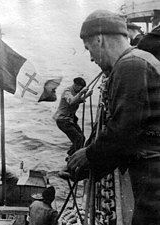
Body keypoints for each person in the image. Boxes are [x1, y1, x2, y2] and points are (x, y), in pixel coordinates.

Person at [68, 9, 160, 225]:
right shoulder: (140, 59)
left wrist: (88, 156)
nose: (91, 57)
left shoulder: (130, 66)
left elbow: (124, 129)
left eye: (89, 48)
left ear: (99, 40)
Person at [54, 77, 93, 157]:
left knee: (81, 138)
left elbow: (77, 100)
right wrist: (81, 93)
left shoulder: (76, 92)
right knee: (78, 139)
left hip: (70, 119)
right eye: (80, 88)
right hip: (63, 120)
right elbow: (71, 101)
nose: (81, 89)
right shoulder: (67, 91)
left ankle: (70, 156)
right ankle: (73, 158)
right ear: (76, 85)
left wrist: (87, 95)